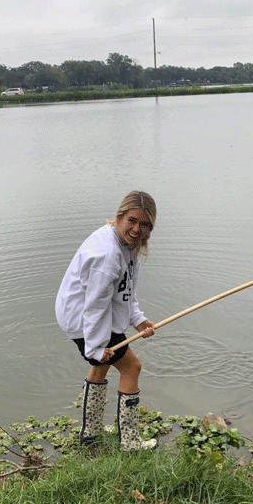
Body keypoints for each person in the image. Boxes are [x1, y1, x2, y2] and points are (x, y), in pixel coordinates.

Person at [55, 190, 158, 451]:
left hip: (93, 315)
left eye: (145, 224)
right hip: (83, 318)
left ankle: (91, 434)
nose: (137, 229)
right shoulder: (108, 255)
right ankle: (130, 443)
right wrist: (95, 347)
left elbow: (125, 292)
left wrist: (138, 320)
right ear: (120, 216)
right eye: (132, 221)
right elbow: (95, 307)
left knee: (103, 366)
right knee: (131, 367)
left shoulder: (127, 245)